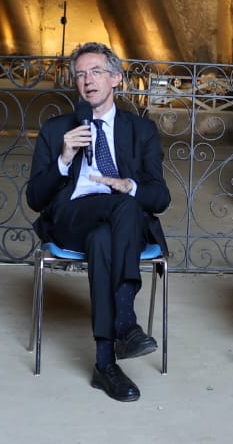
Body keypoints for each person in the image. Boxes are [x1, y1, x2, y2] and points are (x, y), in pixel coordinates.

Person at [25, 42, 171, 402]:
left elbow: (161, 197)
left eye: (95, 72)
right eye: (79, 75)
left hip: (120, 228)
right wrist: (63, 157)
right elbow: (34, 199)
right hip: (72, 216)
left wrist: (129, 185)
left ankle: (105, 363)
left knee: (107, 233)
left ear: (116, 79)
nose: (87, 81)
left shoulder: (141, 131)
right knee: (120, 209)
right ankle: (125, 322)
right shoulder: (57, 129)